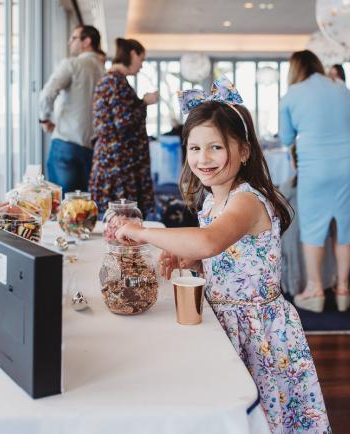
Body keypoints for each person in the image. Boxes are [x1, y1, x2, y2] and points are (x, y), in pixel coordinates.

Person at [115, 77, 331, 433]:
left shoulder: (246, 199)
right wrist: (193, 260)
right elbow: (219, 252)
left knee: (265, 415)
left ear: (244, 151)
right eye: (195, 148)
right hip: (226, 318)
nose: (203, 158)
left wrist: (143, 232)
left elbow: (211, 241)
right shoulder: (212, 199)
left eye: (216, 147)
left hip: (258, 330)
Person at [279, 50, 350, 313]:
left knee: (313, 229)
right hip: (347, 164)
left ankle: (315, 290)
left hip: (315, 167)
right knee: (343, 228)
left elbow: (286, 138)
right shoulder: (341, 88)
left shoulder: (292, 94)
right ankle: (343, 290)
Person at [89, 38, 159, 216]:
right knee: (119, 219)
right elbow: (123, 123)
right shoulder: (115, 81)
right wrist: (144, 102)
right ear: (132, 54)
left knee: (115, 219)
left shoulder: (111, 80)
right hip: (118, 164)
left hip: (115, 162)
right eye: (141, 60)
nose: (141, 66)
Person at [39, 25, 104, 193]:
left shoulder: (72, 64)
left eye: (73, 38)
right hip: (91, 149)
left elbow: (47, 93)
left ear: (86, 41)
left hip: (65, 145)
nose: (69, 42)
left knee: (63, 207)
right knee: (83, 208)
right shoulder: (104, 71)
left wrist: (44, 118)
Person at [280, 145, 336, 297]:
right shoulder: (325, 186)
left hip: (293, 235)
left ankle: (301, 285)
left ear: (294, 163)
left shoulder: (288, 186)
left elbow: (279, 210)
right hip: (318, 234)